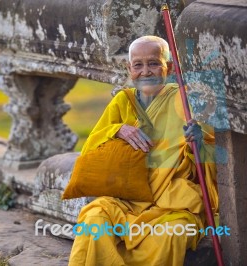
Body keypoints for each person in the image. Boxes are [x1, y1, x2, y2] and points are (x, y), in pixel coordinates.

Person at [68, 35, 218, 266]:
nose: (146, 71)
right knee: (93, 219)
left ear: (168, 67)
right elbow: (90, 152)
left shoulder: (185, 102)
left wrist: (197, 143)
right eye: (138, 65)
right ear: (129, 69)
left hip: (171, 203)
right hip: (125, 200)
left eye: (154, 63)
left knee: (172, 234)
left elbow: (212, 157)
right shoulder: (123, 101)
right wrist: (116, 130)